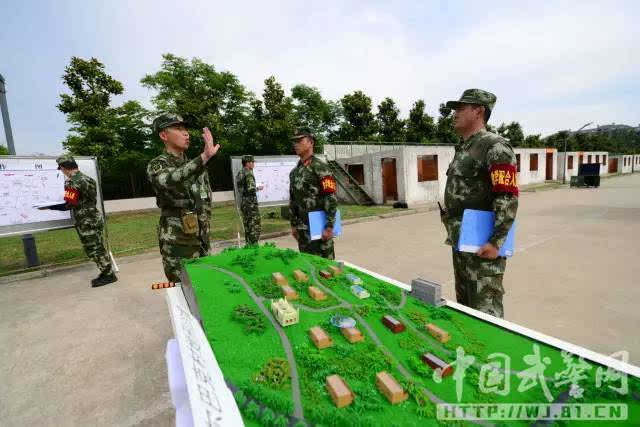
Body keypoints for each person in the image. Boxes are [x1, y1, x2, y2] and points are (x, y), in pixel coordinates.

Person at [440, 89, 519, 318]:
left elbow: (507, 197)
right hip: (463, 242)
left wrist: (496, 241)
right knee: (465, 308)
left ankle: (493, 354)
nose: (454, 113)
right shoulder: (465, 147)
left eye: (461, 108)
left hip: (484, 247)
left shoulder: (495, 146)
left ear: (479, 111)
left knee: (486, 311)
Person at [146, 114, 220, 283]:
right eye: (178, 129)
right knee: (183, 291)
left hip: (201, 238)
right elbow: (170, 179)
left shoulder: (197, 165)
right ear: (164, 135)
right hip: (178, 242)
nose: (186, 133)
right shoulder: (158, 164)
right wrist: (203, 158)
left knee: (204, 287)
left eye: (185, 129)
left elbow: (205, 199)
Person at [43, 154, 116, 287]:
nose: (61, 171)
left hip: (85, 220)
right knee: (98, 246)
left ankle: (108, 275)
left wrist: (49, 206)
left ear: (64, 167)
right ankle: (106, 271)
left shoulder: (72, 183)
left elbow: (68, 205)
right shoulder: (88, 179)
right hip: (94, 216)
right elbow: (91, 200)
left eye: (61, 169)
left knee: (93, 248)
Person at [288, 127, 338, 259]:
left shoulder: (321, 168)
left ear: (311, 142)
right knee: (308, 265)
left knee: (326, 267)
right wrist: (293, 225)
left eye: (299, 141)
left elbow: (330, 197)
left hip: (319, 228)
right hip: (302, 230)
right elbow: (293, 200)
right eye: (294, 141)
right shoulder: (295, 172)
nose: (296, 144)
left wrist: (329, 226)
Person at [235, 155, 264, 246]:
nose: (253, 164)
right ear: (248, 163)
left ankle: (249, 245)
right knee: (254, 225)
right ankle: (254, 245)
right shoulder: (248, 173)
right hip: (251, 203)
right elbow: (251, 188)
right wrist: (258, 188)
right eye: (252, 162)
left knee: (247, 225)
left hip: (244, 202)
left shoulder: (240, 173)